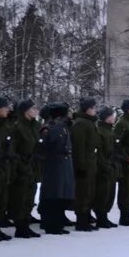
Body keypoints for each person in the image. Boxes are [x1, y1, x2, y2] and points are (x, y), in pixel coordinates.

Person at [38, 103, 76, 235]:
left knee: (61, 194)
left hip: (63, 164)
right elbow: (49, 146)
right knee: (55, 194)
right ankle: (52, 224)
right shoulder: (55, 127)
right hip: (56, 164)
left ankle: (56, 223)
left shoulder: (63, 127)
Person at [10, 99, 42, 238]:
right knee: (20, 198)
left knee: (29, 197)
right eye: (33, 108)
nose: (36, 110)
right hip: (21, 167)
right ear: (25, 111)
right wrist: (21, 166)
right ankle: (20, 227)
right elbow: (13, 150)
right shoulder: (17, 127)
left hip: (32, 166)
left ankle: (26, 224)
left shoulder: (34, 126)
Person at [71, 97, 100, 231]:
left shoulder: (89, 122)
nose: (96, 110)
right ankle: (81, 220)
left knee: (90, 191)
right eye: (94, 108)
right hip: (84, 164)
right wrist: (81, 166)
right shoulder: (81, 124)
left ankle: (86, 215)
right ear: (88, 109)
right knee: (83, 192)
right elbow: (79, 147)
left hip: (90, 162)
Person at [94, 106, 119, 229]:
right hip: (103, 167)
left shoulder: (110, 131)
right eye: (111, 116)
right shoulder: (100, 131)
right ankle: (101, 218)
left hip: (111, 166)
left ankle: (104, 216)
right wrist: (104, 165)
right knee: (102, 194)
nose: (113, 118)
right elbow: (99, 151)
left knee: (109, 193)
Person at [0, 97, 14, 241]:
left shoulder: (5, 126)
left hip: (3, 167)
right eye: (4, 108)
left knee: (1, 198)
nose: (7, 110)